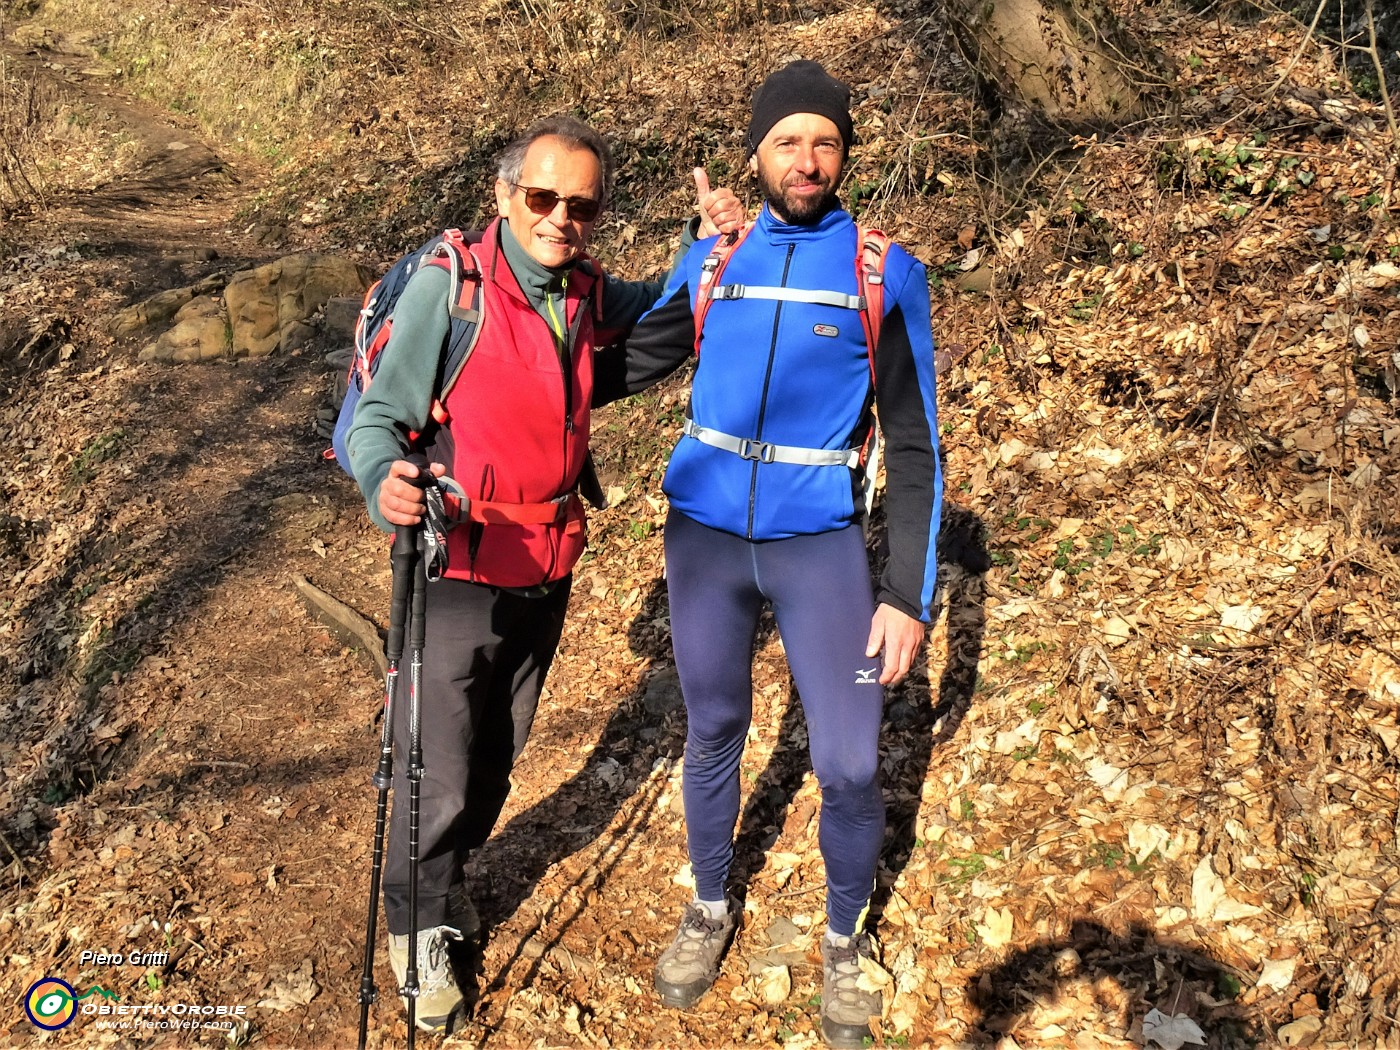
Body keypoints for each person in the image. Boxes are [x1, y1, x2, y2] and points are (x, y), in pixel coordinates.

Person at [346, 113, 741, 1033]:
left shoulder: (581, 291)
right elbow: (378, 420)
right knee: (435, 768)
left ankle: (443, 886)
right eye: (543, 197)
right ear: (505, 195)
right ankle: (419, 928)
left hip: (544, 563)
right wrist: (383, 485)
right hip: (453, 564)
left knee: (495, 756)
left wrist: (705, 243)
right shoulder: (453, 290)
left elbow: (659, 312)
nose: (561, 216)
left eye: (582, 206)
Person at [620, 62, 944, 1049]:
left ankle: (844, 941)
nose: (806, 160)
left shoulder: (881, 271)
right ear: (752, 152)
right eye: (787, 141)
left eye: (824, 142)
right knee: (713, 724)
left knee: (846, 766)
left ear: (842, 155)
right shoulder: (716, 257)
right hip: (705, 540)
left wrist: (905, 595)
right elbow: (622, 362)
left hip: (818, 548)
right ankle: (710, 905)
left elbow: (918, 441)